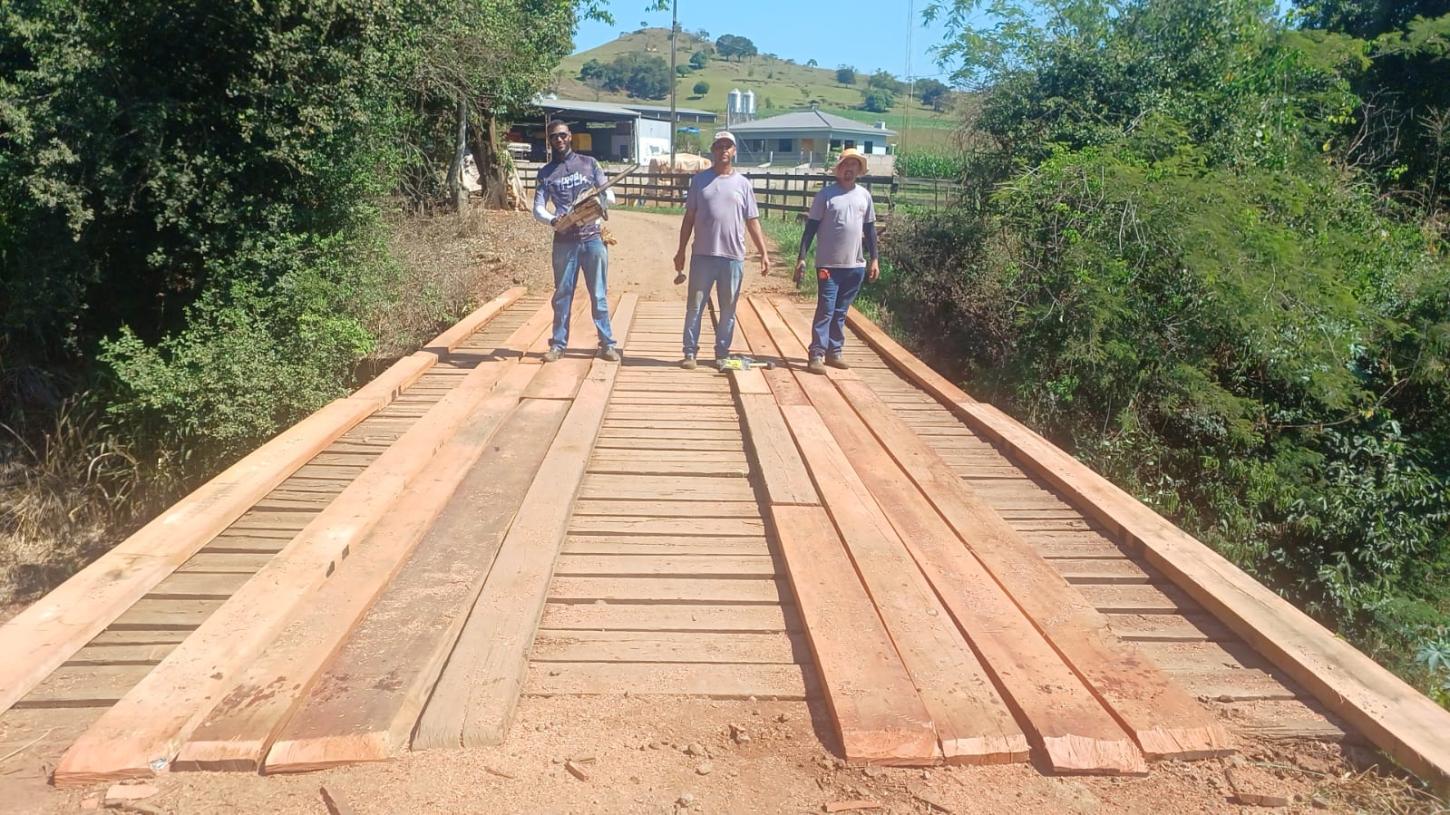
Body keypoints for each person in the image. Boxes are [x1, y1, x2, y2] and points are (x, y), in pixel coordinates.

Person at [672, 130, 771, 370]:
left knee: (728, 308)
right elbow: (689, 218)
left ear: (734, 151)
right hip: (703, 255)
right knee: (695, 305)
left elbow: (752, 221)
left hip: (733, 257)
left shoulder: (743, 185)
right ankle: (689, 352)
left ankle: (722, 352)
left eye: (727, 146)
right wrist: (681, 250)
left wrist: (763, 253)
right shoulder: (699, 181)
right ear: (713, 150)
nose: (723, 150)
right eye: (719, 146)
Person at [533, 120, 620, 362]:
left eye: (562, 135)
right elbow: (538, 208)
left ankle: (607, 344)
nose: (558, 140)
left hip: (593, 239)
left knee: (599, 295)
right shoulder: (546, 173)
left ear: (570, 136)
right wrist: (553, 220)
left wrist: (596, 203)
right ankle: (558, 345)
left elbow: (609, 194)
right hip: (564, 241)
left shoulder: (590, 164)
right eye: (553, 137)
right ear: (549, 141)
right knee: (562, 295)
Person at [794, 148, 879, 374]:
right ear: (838, 169)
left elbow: (870, 230)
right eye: (845, 165)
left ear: (859, 170)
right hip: (828, 265)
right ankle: (816, 354)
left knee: (841, 311)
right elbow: (810, 228)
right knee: (826, 309)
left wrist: (874, 260)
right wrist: (801, 258)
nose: (849, 169)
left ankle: (834, 352)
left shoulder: (864, 196)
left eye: (854, 165)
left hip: (855, 265)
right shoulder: (825, 196)